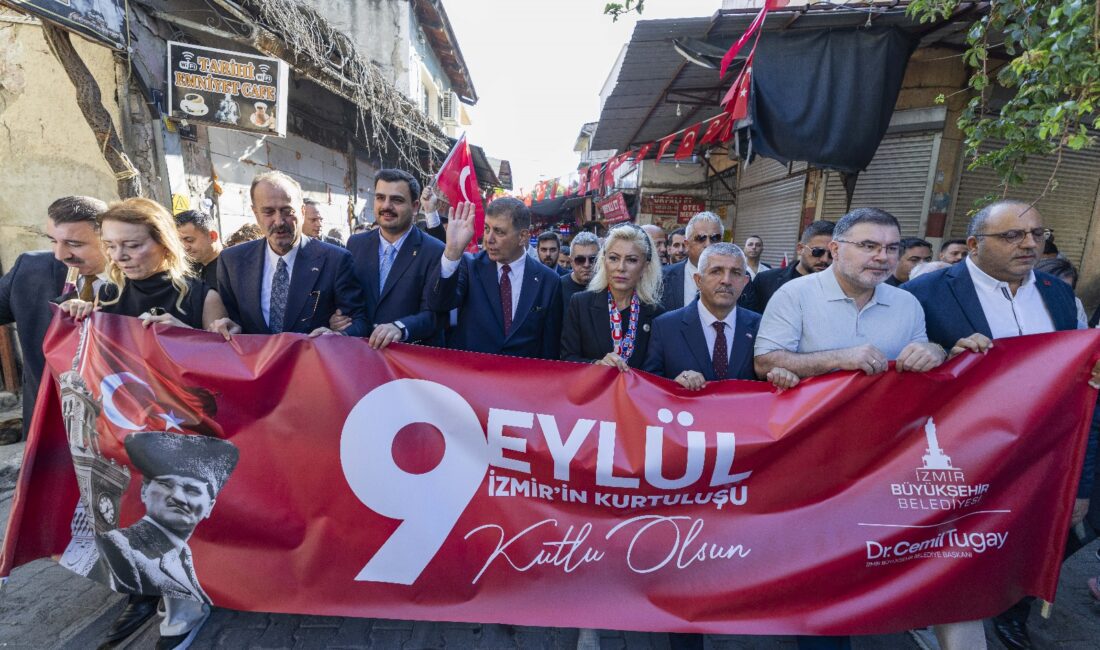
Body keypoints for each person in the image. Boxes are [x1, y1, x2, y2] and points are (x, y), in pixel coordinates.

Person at [904, 200, 1096, 650]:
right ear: (973, 244)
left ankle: (1007, 611)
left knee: (1019, 551)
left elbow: (1082, 386)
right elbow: (900, 377)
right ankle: (927, 613)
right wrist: (938, 355)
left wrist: (1079, 477)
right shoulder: (924, 293)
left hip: (1039, 460)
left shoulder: (1058, 295)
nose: (1029, 244)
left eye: (1037, 234)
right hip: (955, 463)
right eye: (1012, 235)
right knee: (948, 563)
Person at [754, 208, 946, 650]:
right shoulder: (795, 294)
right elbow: (766, 361)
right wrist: (840, 359)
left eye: (891, 248)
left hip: (880, 460)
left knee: (859, 564)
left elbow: (922, 363)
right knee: (815, 570)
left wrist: (933, 352)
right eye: (869, 246)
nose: (882, 257)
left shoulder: (907, 303)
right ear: (836, 249)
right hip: (808, 459)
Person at [56, 197, 237, 650]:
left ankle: (184, 603)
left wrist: (184, 335)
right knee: (130, 511)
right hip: (120, 428)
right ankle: (143, 592)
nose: (120, 256)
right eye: (112, 246)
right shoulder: (104, 295)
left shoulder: (199, 294)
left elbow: (226, 361)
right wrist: (79, 318)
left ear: (163, 242)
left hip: (183, 432)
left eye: (133, 245)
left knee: (173, 513)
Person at [98, 431, 238, 650]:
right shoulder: (118, 545)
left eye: (192, 489)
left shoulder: (182, 555)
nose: (178, 497)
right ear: (145, 491)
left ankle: (167, 599)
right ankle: (162, 600)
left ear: (210, 505)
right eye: (166, 484)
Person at [0, 196, 106, 444]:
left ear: (108, 237)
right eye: (53, 241)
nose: (60, 254)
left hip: (117, 431)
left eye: (74, 244)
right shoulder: (30, 269)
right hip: (47, 428)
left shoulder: (143, 279)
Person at [214, 171, 368, 337]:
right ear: (255, 213)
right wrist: (229, 326)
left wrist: (338, 336)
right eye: (268, 212)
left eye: (287, 211)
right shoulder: (232, 261)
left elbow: (359, 322)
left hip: (313, 354)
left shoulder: (336, 260)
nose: (279, 221)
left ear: (302, 211)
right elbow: (234, 319)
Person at [430, 198, 563, 359]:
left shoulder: (549, 281)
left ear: (522, 237)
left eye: (499, 232)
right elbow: (439, 304)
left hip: (523, 373)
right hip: (472, 371)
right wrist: (452, 251)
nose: (489, 239)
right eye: (487, 229)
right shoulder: (469, 266)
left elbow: (550, 349)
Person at [331, 169, 445, 347]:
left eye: (396, 200)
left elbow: (435, 314)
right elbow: (350, 302)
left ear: (415, 206)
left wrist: (401, 328)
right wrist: (337, 320)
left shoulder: (434, 250)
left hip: (408, 357)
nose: (386, 206)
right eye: (380, 197)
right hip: (360, 353)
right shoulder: (356, 244)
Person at [645, 242, 761, 390]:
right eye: (716, 271)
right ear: (698, 280)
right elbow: (649, 387)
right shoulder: (665, 327)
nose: (726, 280)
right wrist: (674, 385)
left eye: (736, 273)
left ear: (745, 282)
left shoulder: (760, 327)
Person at [561, 224, 664, 370]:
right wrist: (596, 365)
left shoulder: (656, 314)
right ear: (604, 261)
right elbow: (567, 359)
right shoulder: (581, 304)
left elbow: (658, 370)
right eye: (614, 258)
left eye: (631, 260)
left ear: (645, 267)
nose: (621, 267)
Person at [739, 221, 835, 314]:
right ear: (800, 249)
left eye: (832, 254)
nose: (825, 259)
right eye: (817, 252)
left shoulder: (838, 287)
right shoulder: (765, 281)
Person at [662, 212, 723, 310]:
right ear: (687, 244)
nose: (708, 244)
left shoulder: (738, 277)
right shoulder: (663, 277)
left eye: (715, 238)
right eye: (700, 238)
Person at [175, 210, 222, 291]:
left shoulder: (233, 269)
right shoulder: (185, 269)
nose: (185, 247)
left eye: (189, 240)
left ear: (212, 236)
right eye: (179, 242)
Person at [561, 232, 600, 306]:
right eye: (580, 260)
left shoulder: (608, 286)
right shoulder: (559, 286)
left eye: (592, 259)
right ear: (571, 261)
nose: (586, 265)